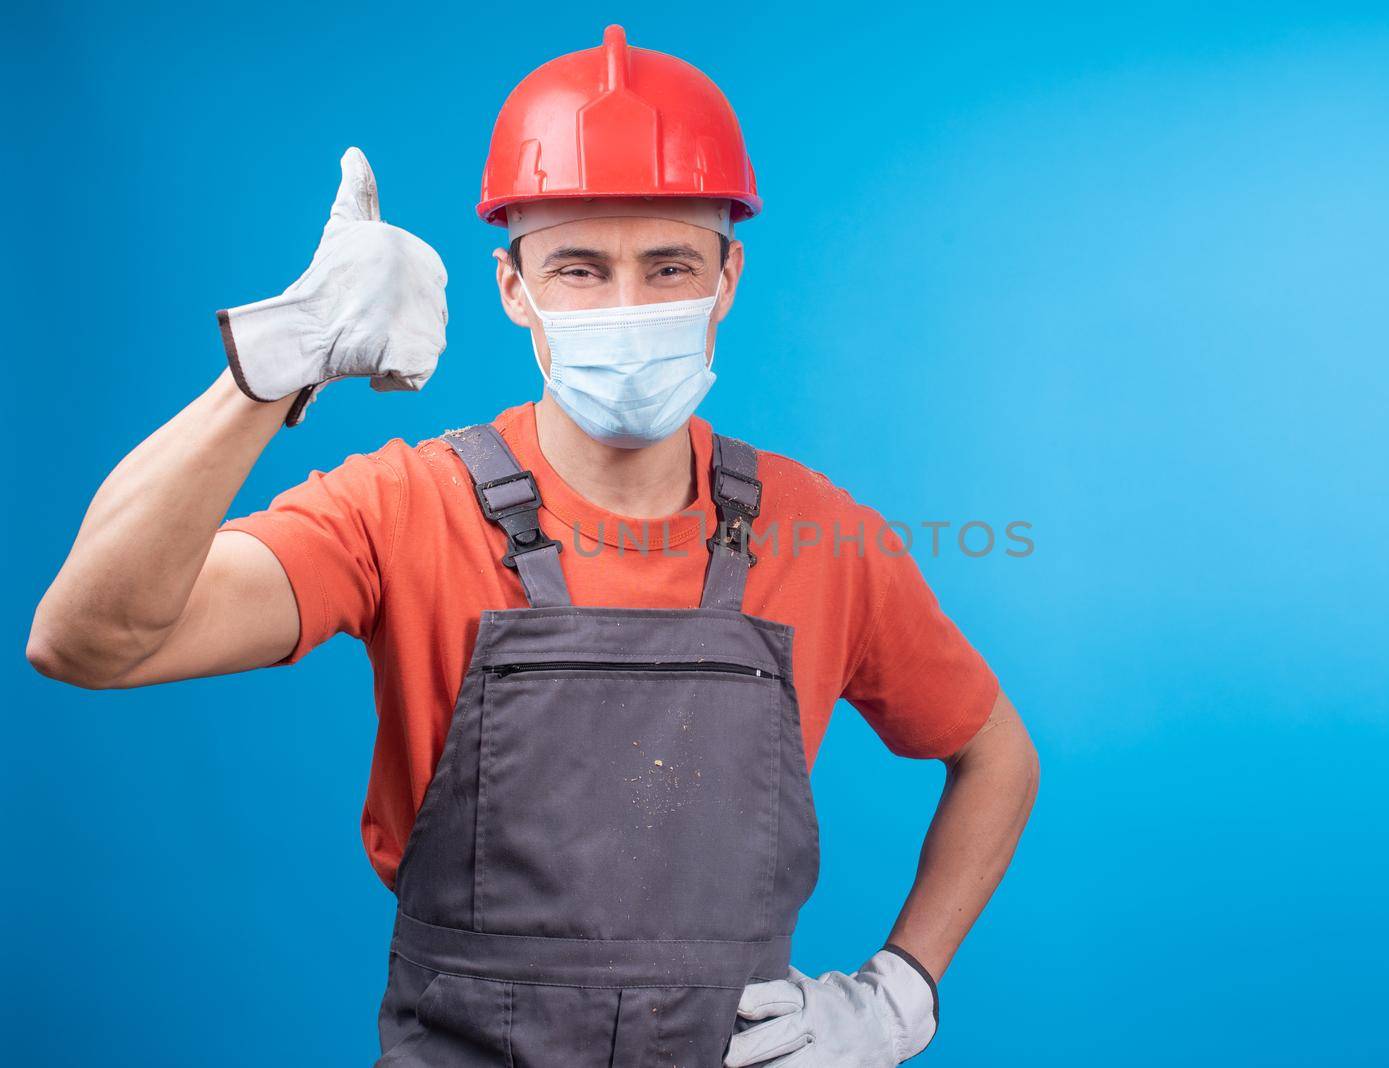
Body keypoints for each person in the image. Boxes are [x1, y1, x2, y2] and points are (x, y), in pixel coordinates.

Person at [27, 24, 1039, 1068]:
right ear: (513, 288)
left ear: (727, 279)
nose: (628, 307)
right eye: (580, 269)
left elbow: (995, 754)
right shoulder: (399, 507)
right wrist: (272, 367)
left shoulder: (822, 535)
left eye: (669, 265)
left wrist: (897, 994)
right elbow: (91, 640)